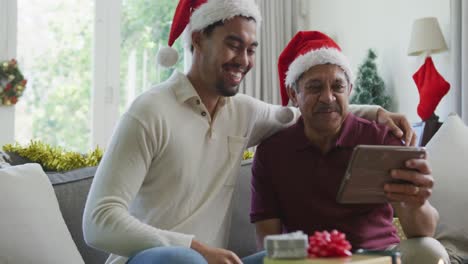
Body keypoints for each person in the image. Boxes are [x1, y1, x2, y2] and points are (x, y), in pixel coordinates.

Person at [83, 1, 416, 263]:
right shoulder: (150, 111)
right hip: (155, 260)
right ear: (197, 40)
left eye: (251, 48)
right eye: (233, 44)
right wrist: (195, 247)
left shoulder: (243, 111)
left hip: (216, 261)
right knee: (180, 259)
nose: (243, 59)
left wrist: (376, 112)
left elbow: (310, 110)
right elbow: (98, 221)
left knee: (308, 260)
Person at [250, 31, 450, 264]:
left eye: (337, 86)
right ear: (294, 94)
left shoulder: (383, 139)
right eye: (315, 88)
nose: (328, 97)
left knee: (430, 251)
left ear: (350, 89)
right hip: (309, 259)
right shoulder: (272, 152)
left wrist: (417, 203)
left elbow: (423, 231)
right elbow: (267, 239)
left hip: (381, 255)